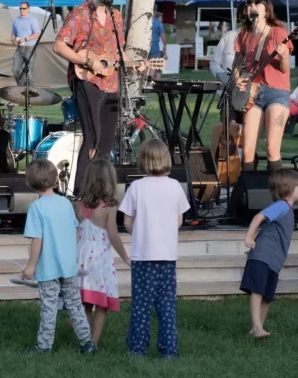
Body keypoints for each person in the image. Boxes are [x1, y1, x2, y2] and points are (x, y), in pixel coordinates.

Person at [54, 0, 142, 194]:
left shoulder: (116, 17)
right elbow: (59, 45)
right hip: (86, 81)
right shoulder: (80, 14)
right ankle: (81, 192)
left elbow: (120, 51)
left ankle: (101, 192)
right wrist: (85, 62)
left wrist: (136, 63)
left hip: (111, 82)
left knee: (107, 142)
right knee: (92, 136)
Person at [118, 139, 190, 358]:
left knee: (141, 305)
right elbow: (179, 221)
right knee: (166, 305)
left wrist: (140, 233)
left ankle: (138, 348)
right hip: (167, 256)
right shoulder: (175, 186)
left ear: (143, 161)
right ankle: (169, 349)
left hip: (143, 256)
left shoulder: (136, 187)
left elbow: (127, 222)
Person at [21, 159, 98, 355]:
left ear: (30, 184)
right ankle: (87, 342)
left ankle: (44, 346)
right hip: (68, 266)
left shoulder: (36, 209)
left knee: (49, 306)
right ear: (56, 180)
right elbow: (74, 231)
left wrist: (30, 266)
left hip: (48, 268)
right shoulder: (65, 203)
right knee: (74, 304)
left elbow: (37, 240)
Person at [75, 159, 131, 346]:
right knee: (101, 304)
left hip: (81, 258)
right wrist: (125, 256)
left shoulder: (79, 205)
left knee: (85, 302)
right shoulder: (108, 207)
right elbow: (113, 235)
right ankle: (94, 342)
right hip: (100, 259)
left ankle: (86, 340)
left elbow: (76, 234)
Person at [241, 168, 298, 338]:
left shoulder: (286, 209)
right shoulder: (281, 206)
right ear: (288, 189)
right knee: (258, 290)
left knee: (267, 296)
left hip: (274, 260)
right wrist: (249, 237)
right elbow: (258, 217)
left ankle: (257, 328)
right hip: (262, 255)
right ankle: (257, 326)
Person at [234, 0, 293, 172]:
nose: (252, 6)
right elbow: (237, 63)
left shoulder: (278, 32)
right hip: (253, 93)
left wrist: (283, 55)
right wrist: (238, 78)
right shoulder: (244, 35)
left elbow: (285, 69)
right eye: (249, 4)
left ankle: (277, 192)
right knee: (248, 151)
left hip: (276, 92)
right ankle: (248, 194)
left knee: (271, 149)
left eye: (256, 3)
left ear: (266, 9)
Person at [211, 4, 246, 85]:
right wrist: (227, 80)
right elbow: (214, 64)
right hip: (228, 89)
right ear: (240, 17)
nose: (248, 20)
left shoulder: (262, 38)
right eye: (244, 16)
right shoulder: (229, 36)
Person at [11, 1, 41, 87]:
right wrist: (13, 40)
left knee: (29, 71)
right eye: (20, 8)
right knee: (15, 69)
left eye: (24, 8)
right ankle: (21, 89)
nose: (21, 10)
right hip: (20, 49)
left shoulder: (32, 20)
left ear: (28, 9)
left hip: (30, 48)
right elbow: (13, 33)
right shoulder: (16, 20)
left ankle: (30, 91)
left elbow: (37, 33)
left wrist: (26, 39)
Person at [148, 7, 165, 81]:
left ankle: (143, 82)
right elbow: (162, 35)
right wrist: (165, 44)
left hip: (144, 45)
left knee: (144, 64)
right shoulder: (157, 22)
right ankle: (149, 82)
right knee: (153, 65)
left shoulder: (144, 20)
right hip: (154, 45)